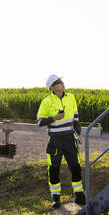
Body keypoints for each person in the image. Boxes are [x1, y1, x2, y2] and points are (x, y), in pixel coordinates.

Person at [36, 74, 86, 208]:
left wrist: (79, 134)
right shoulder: (46, 101)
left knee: (75, 167)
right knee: (53, 169)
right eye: (59, 82)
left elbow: (75, 118)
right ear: (52, 87)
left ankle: (80, 195)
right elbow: (39, 122)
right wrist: (54, 118)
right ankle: (56, 198)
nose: (63, 83)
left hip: (70, 139)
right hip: (55, 141)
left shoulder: (71, 98)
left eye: (62, 81)